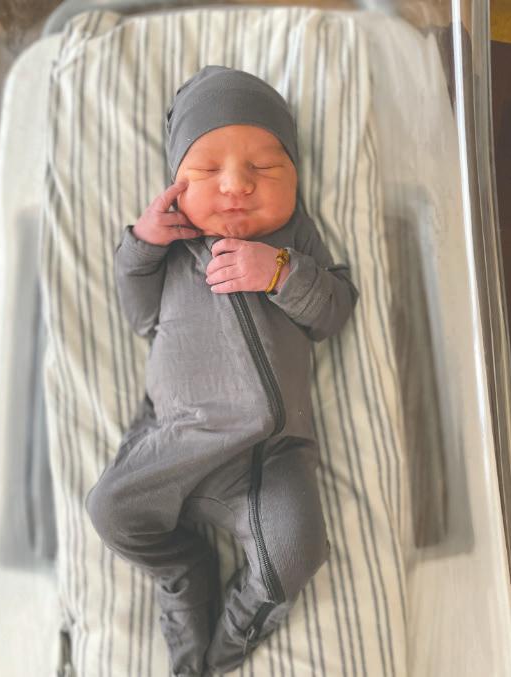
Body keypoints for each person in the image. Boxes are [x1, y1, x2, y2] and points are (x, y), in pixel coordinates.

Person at [85, 65, 359, 677]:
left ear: (296, 176)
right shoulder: (171, 248)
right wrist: (141, 245)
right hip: (176, 441)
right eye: (208, 170)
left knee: (297, 552)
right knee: (109, 510)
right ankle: (185, 569)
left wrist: (281, 270)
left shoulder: (293, 238)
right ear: (175, 184)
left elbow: (334, 311)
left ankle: (229, 641)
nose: (236, 184)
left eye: (263, 166)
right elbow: (139, 317)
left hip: (270, 457)